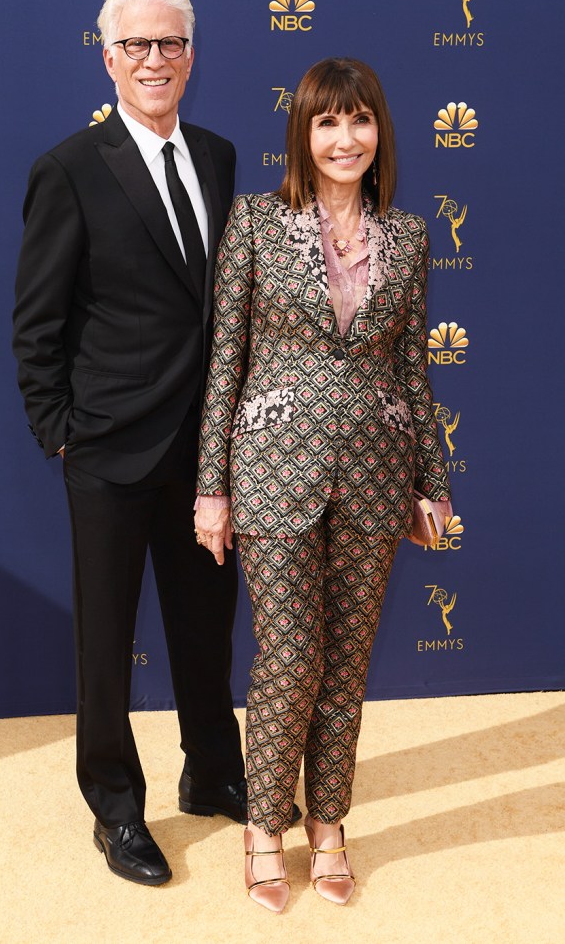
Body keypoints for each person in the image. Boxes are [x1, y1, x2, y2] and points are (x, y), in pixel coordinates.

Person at [194, 58, 452, 912]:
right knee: (293, 654)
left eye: (361, 121)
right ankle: (266, 822)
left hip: (376, 475)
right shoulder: (257, 223)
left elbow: (412, 369)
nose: (346, 139)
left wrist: (432, 483)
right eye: (327, 123)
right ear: (303, 134)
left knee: (345, 667)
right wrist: (212, 488)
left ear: (379, 133)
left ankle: (330, 823)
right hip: (271, 472)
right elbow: (225, 361)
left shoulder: (409, 236)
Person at [13, 0, 249, 888]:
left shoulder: (222, 157)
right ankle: (115, 807)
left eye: (171, 44)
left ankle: (211, 770)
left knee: (205, 626)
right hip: (109, 451)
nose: (155, 60)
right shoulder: (69, 167)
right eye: (137, 46)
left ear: (192, 55)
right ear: (107, 57)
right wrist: (60, 431)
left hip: (206, 452)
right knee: (107, 643)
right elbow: (37, 321)